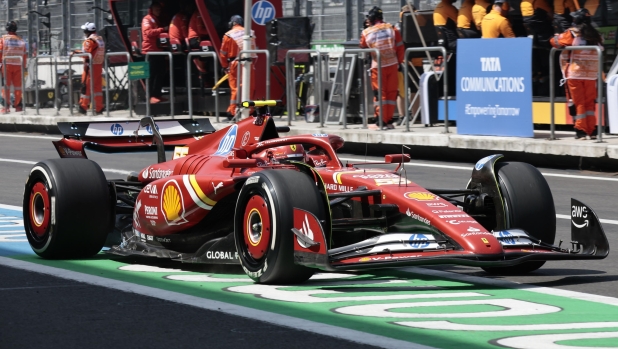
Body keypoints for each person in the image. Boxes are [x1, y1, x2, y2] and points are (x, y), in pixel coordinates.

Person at [550, 8, 604, 140]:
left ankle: (581, 130)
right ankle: (592, 130)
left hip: (574, 74)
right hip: (591, 74)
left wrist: (556, 36)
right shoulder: (596, 34)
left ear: (576, 20)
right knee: (589, 103)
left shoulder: (572, 33)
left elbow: (555, 42)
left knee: (578, 102)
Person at [360, 6, 404, 130]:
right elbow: (400, 47)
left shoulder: (367, 32)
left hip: (377, 66)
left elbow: (362, 45)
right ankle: (388, 121)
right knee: (391, 94)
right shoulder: (392, 28)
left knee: (380, 94)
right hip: (393, 65)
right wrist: (399, 62)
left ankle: (380, 122)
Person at [219, 15, 256, 120]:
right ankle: (249, 110)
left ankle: (232, 112)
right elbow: (254, 51)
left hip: (235, 64)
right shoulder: (250, 33)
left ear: (233, 23)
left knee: (235, 88)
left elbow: (223, 53)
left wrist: (224, 66)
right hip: (249, 63)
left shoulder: (228, 35)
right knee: (249, 87)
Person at [73, 22, 105, 114]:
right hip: (98, 67)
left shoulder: (90, 40)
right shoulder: (100, 39)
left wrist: (75, 52)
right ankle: (99, 108)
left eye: (85, 31)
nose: (84, 33)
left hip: (90, 67)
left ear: (88, 31)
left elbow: (85, 54)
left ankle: (83, 106)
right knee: (97, 88)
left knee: (85, 87)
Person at [141, 1, 169, 104]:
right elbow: (148, 33)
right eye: (157, 9)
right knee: (151, 75)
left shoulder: (156, 19)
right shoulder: (147, 19)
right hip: (149, 51)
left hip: (158, 50)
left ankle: (157, 94)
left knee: (161, 73)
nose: (158, 11)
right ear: (151, 9)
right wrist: (162, 29)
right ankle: (149, 96)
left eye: (159, 9)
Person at [0, 21, 26, 113]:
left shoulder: (3, 39)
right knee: (18, 87)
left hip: (6, 65)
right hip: (19, 65)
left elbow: (0, 52)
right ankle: (18, 106)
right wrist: (24, 66)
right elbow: (24, 54)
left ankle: (6, 107)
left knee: (5, 86)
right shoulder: (21, 40)